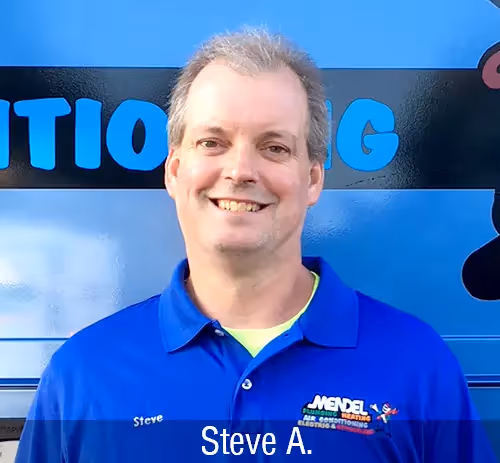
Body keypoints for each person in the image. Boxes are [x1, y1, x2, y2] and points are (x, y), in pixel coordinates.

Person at [15, 27, 497, 462]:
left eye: (274, 147)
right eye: (212, 142)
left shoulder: (417, 366)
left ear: (312, 179)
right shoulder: (82, 376)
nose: (241, 170)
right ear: (175, 171)